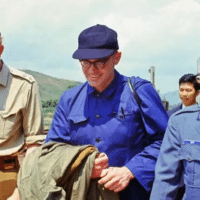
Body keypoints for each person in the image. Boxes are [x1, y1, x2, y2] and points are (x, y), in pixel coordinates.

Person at [45, 24, 168, 199]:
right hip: (82, 193)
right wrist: (83, 166)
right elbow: (52, 151)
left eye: (100, 61)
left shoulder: (139, 92)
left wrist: (130, 171)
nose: (92, 70)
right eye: (85, 62)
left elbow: (166, 142)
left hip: (131, 194)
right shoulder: (69, 99)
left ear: (116, 58)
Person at [0, 32, 45, 199]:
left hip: (7, 176)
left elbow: (34, 144)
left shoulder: (24, 85)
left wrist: (20, 191)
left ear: (0, 50)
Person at [150, 76, 200, 199]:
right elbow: (166, 175)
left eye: (188, 90)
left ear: (197, 92)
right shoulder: (174, 118)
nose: (184, 94)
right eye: (181, 90)